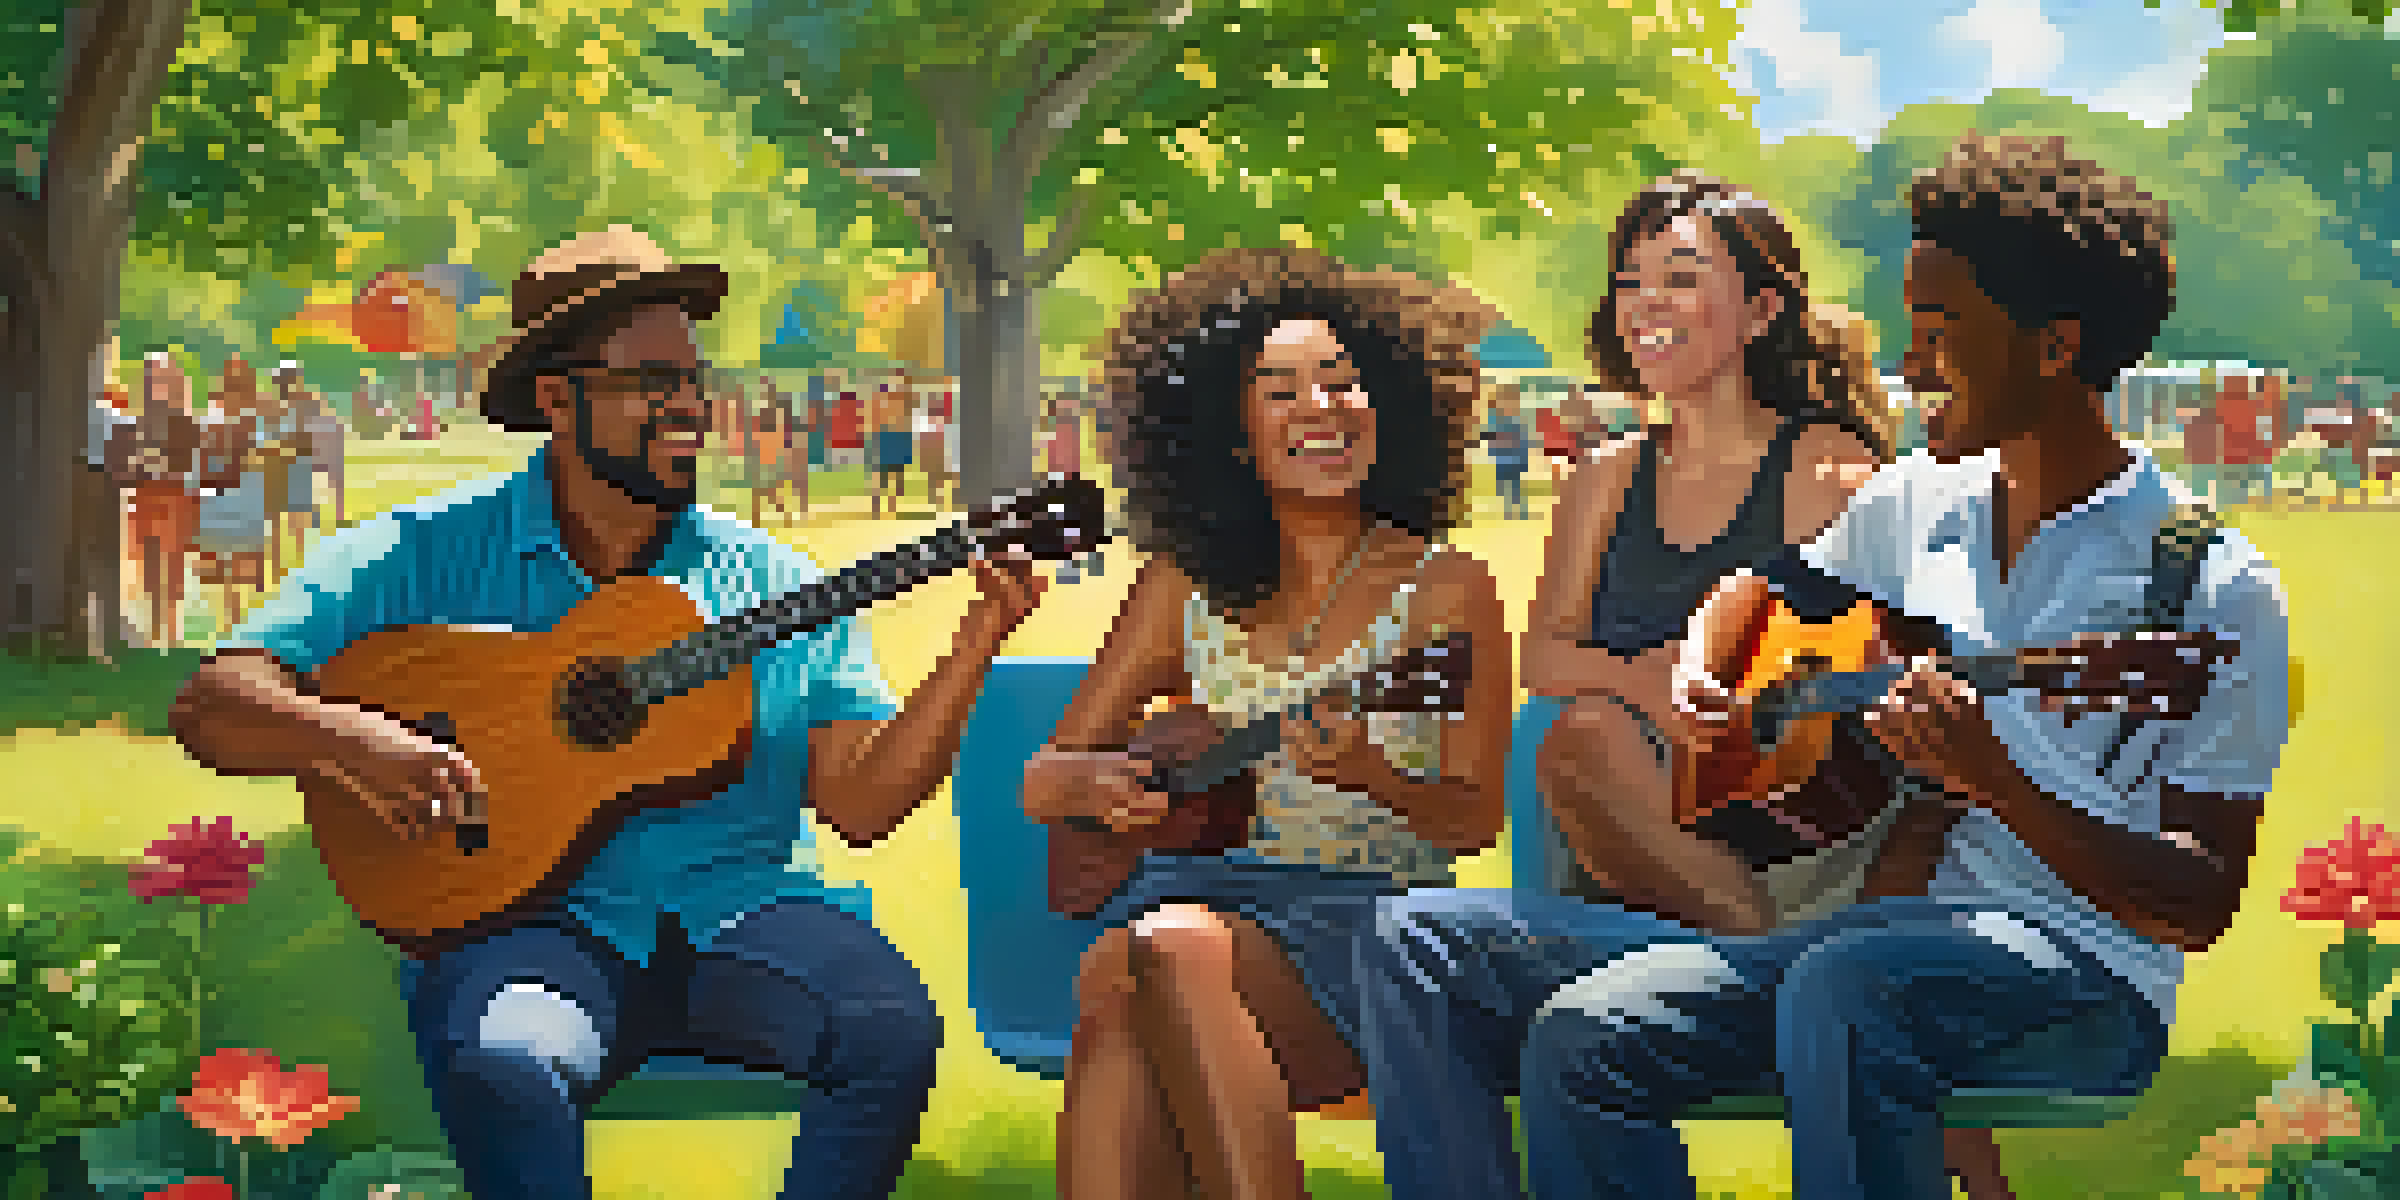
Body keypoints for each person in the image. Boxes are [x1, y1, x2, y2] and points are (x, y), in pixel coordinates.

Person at [167, 226, 1051, 1200]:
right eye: (652, 381)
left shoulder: (769, 581)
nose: (688, 408)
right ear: (558, 397)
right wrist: (357, 740)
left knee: (888, 1026)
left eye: (693, 379)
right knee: (501, 1057)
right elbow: (215, 704)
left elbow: (863, 805)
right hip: (526, 927)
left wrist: (975, 645)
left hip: (750, 919)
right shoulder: (424, 553)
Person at [1516, 133, 2289, 1200]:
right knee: (1589, 1031)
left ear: (2055, 347)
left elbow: (2197, 902)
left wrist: (1998, 782)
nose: (1910, 369)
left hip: (2083, 973)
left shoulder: (2211, 585)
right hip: (1890, 931)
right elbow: (1767, 590)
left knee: (1844, 984)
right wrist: (1705, 657)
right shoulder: (1919, 496)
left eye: (1940, 333)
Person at [1343, 171, 2001, 1198]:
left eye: (1681, 277)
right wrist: (1655, 682)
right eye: (1630, 279)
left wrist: (1755, 686)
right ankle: (1776, 962)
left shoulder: (1824, 471)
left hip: (1802, 851)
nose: (1645, 300)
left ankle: (1778, 958)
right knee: (1553, 771)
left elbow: (1909, 665)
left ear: (1764, 310)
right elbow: (1547, 657)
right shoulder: (1606, 478)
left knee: (1580, 742)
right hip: (1631, 864)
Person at [1020, 246, 1514, 1200]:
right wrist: (1095, 784)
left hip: (1372, 927)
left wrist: (1369, 773)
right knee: (1144, 972)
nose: (1320, 408)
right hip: (1188, 891)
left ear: (1389, 411)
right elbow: (1044, 779)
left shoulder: (1448, 592)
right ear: (1233, 436)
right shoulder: (1179, 590)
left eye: (1341, 382)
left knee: (1138, 977)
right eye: (1281, 390)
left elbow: (1471, 822)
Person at [1479, 383, 1532, 519]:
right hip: (1503, 458)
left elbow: (1523, 440)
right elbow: (1491, 438)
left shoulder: (1518, 420)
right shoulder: (1495, 420)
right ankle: (1510, 510)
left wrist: (1524, 459)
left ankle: (1518, 510)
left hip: (1513, 458)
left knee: (1514, 486)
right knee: (1504, 485)